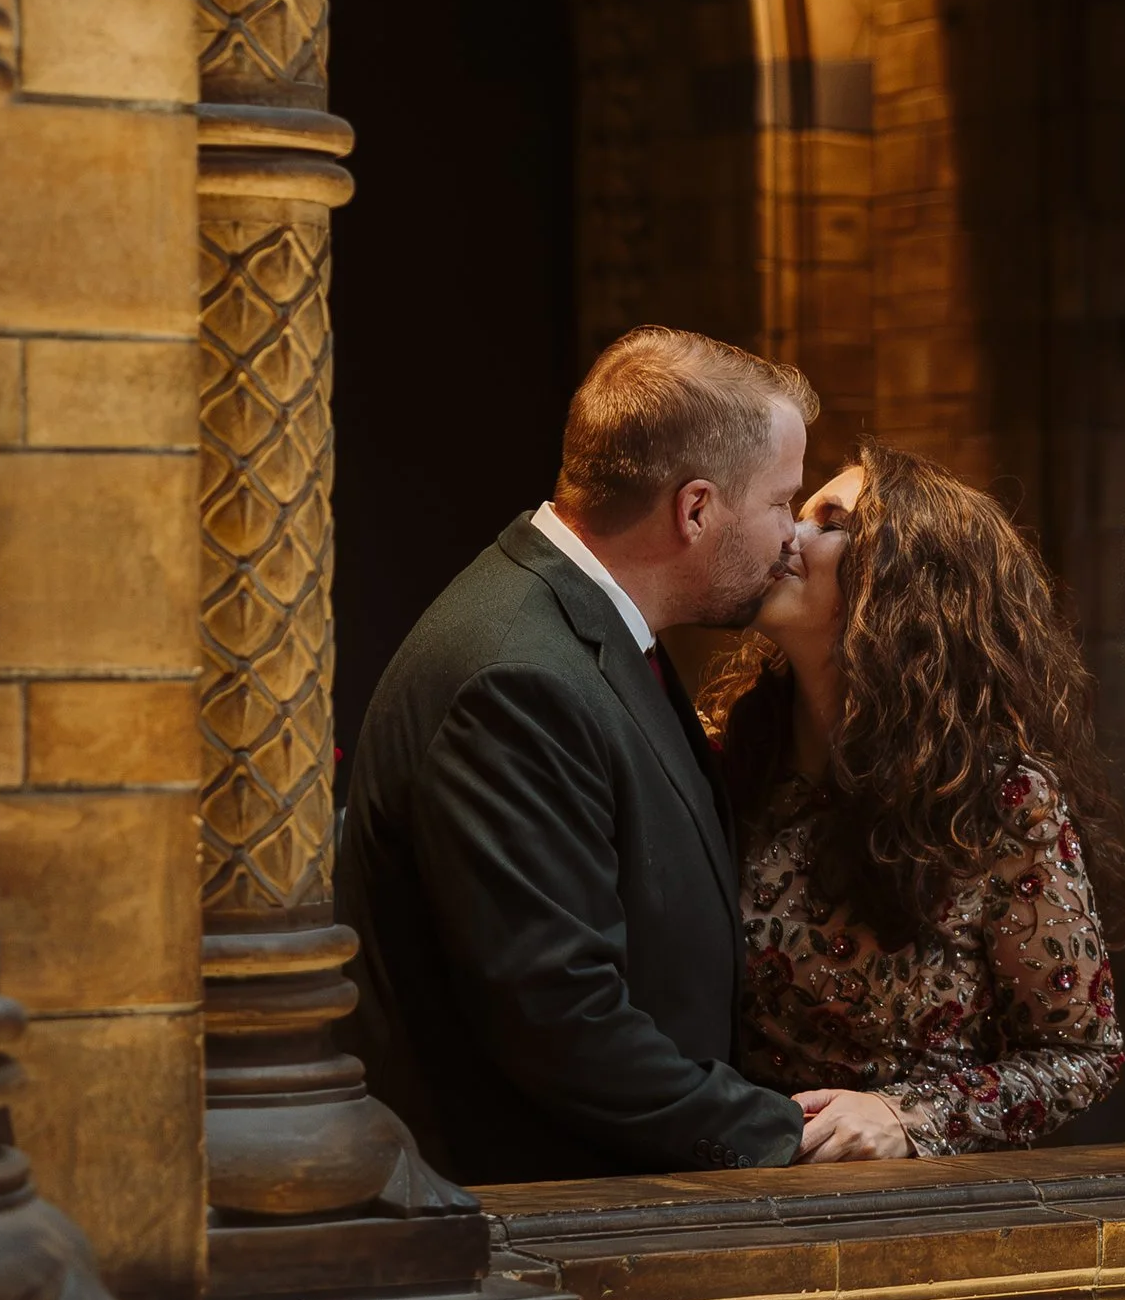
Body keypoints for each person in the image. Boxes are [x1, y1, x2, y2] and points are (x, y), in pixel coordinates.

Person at [336, 329, 819, 1184]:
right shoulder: (519, 675)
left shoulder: (586, 624)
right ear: (696, 509)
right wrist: (780, 1136)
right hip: (535, 1221)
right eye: (783, 502)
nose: (792, 538)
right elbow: (562, 1020)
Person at [705, 444, 1125, 1160]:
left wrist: (907, 1118)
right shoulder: (726, 755)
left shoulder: (997, 799)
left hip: (912, 1208)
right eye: (795, 513)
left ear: (899, 584)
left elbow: (1082, 1053)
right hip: (731, 1184)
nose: (789, 537)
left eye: (829, 520)